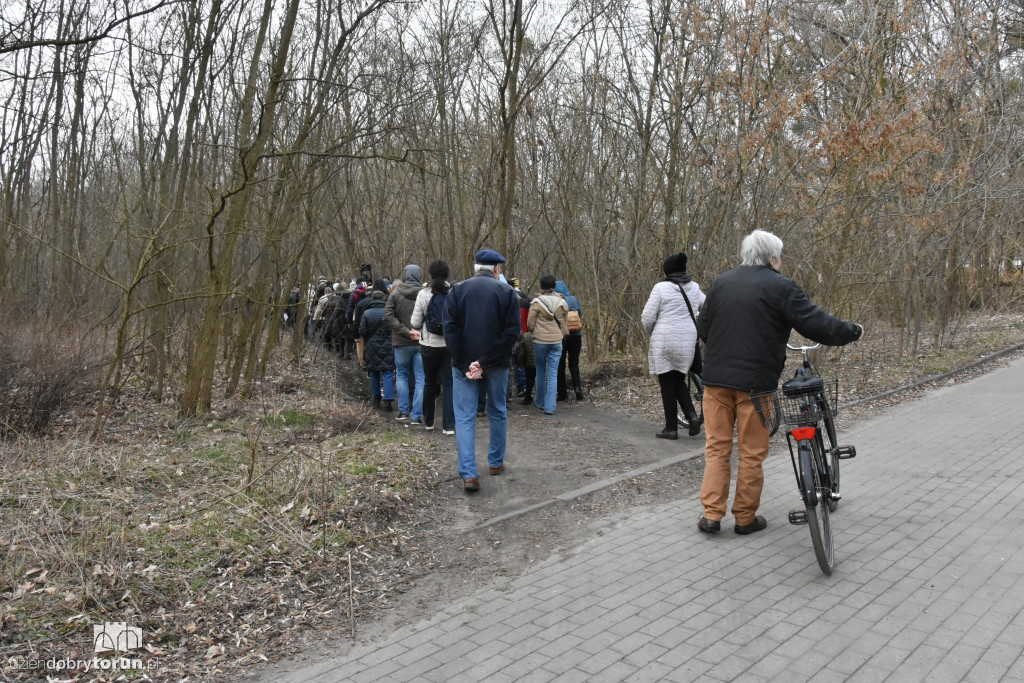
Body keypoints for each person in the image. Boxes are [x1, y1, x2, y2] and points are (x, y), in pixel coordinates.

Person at [696, 229, 864, 535]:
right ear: (773, 258)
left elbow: (703, 327)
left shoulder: (722, 282)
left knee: (717, 448)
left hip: (716, 382)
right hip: (756, 385)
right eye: (780, 257)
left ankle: (711, 515)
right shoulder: (780, 286)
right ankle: (745, 518)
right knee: (751, 451)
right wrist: (851, 331)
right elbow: (815, 323)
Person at [443, 249, 521, 492]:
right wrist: (484, 362)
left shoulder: (456, 290)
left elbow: (450, 331)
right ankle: (495, 462)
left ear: (476, 266)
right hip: (496, 364)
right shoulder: (507, 292)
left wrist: (469, 362)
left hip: (464, 365)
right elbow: (511, 334)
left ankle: (469, 474)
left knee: (465, 417)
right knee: (497, 410)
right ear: (497, 269)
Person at [642, 252, 706, 440]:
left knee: (667, 383)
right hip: (688, 340)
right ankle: (692, 416)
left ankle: (671, 428)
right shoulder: (694, 287)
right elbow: (707, 306)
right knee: (677, 379)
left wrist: (653, 332)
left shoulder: (661, 288)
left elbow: (647, 317)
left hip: (664, 339)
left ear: (667, 270)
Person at [411, 260, 455, 435]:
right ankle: (449, 426)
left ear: (429, 275)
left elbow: (414, 322)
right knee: (449, 384)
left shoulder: (423, 294)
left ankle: (429, 422)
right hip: (449, 345)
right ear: (447, 275)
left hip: (428, 345)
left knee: (429, 382)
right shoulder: (453, 293)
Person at [383, 265, 426, 424]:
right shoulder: (426, 293)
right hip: (422, 341)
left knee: (401, 375)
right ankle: (416, 415)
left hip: (400, 342)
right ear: (419, 275)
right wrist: (416, 331)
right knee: (421, 377)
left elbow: (387, 316)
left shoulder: (395, 293)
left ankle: (403, 411)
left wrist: (405, 331)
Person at [527, 274, 569, 415]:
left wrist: (535, 331)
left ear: (541, 286)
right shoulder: (562, 302)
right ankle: (550, 407)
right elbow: (564, 321)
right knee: (553, 374)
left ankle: (540, 401)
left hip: (540, 341)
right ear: (554, 286)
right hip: (557, 341)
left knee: (540, 371)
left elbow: (530, 324)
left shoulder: (536, 302)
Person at [358, 283, 396, 411]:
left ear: (373, 300)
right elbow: (394, 328)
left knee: (374, 373)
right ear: (384, 299)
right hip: (388, 344)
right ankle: (388, 400)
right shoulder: (389, 312)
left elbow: (362, 331)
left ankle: (376, 399)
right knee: (388, 372)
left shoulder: (367, 313)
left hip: (371, 346)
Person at [554, 280, 584, 401]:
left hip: (562, 336)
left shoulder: (557, 301)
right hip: (576, 335)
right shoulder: (573, 299)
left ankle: (562, 394)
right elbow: (580, 314)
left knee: (560, 365)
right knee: (574, 363)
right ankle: (578, 389)